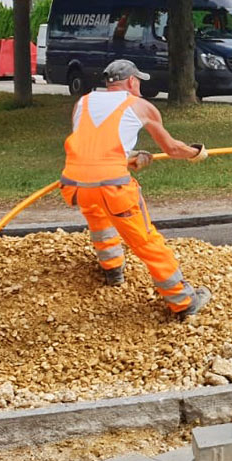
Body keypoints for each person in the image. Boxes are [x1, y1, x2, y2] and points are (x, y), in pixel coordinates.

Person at [59, 59, 212, 318]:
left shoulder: (83, 102)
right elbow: (172, 149)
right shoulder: (140, 105)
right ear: (131, 82)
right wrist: (195, 153)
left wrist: (129, 158)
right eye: (139, 81)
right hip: (113, 188)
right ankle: (183, 301)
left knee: (98, 217)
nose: (140, 86)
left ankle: (112, 271)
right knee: (146, 241)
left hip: (74, 184)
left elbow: (94, 148)